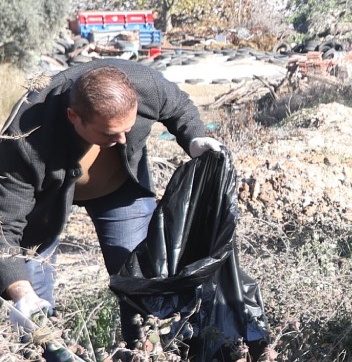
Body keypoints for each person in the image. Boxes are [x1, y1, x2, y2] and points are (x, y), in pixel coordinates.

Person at [0, 60, 222, 346]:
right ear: (74, 116)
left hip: (119, 189)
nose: (121, 139)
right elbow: (5, 227)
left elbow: (179, 106)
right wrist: (21, 292)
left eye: (127, 128)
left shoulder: (145, 84)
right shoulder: (24, 136)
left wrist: (194, 138)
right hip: (45, 202)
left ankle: (145, 353)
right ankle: (49, 361)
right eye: (108, 133)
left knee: (140, 279)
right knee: (33, 295)